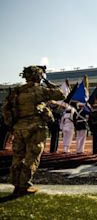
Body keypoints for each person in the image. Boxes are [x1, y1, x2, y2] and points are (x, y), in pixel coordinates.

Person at [1, 65, 64, 196]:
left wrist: (11, 125)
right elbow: (61, 94)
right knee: (32, 156)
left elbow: (5, 109)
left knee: (18, 156)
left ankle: (16, 184)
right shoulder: (38, 90)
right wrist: (48, 82)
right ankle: (24, 185)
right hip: (35, 128)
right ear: (38, 76)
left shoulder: (17, 91)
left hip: (18, 128)